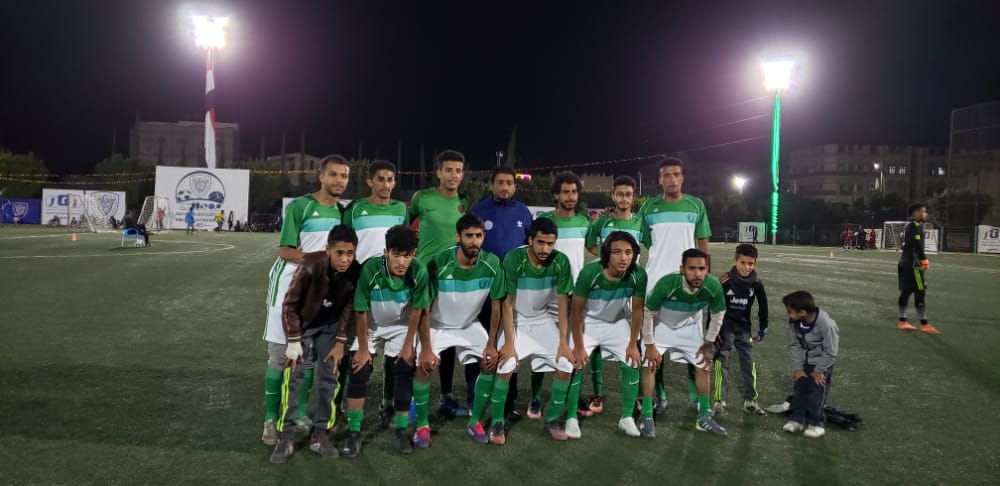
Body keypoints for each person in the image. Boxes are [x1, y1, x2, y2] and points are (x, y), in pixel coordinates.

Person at [260, 155, 350, 446]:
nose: (339, 181)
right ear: (320, 176)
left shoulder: (343, 212)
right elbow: (285, 251)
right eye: (334, 174)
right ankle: (270, 421)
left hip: (319, 292)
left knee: (308, 356)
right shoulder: (301, 205)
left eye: (344, 176)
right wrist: (319, 260)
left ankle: (298, 414)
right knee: (280, 355)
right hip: (288, 286)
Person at [268, 225, 362, 463]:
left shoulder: (354, 271)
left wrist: (341, 339)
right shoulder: (310, 266)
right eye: (339, 253)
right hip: (304, 326)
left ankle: (320, 433)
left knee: (330, 377)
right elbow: (290, 305)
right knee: (295, 377)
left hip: (330, 328)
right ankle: (285, 436)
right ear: (328, 249)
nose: (345, 259)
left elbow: (349, 306)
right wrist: (293, 339)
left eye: (350, 253)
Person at [418, 214, 507, 446]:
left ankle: (474, 421)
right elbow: (424, 308)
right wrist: (426, 347)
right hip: (437, 325)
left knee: (490, 362)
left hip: (468, 325)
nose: (474, 241)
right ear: (458, 236)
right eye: (469, 236)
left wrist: (491, 343)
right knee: (422, 365)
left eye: (478, 236)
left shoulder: (492, 263)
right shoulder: (439, 262)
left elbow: (497, 306)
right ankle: (422, 426)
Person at [348, 224, 432, 455]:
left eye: (407, 256)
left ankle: (401, 431)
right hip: (372, 325)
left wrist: (408, 346)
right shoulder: (371, 269)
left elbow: (418, 310)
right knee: (359, 370)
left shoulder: (419, 272)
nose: (402, 262)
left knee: (404, 371)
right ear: (386, 252)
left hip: (400, 327)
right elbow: (361, 310)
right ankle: (354, 432)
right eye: (396, 254)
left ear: (414, 254)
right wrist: (364, 348)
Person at [638, 156, 712, 414]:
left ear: (682, 177)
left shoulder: (696, 205)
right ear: (659, 179)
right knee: (653, 344)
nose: (671, 179)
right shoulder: (648, 208)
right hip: (656, 283)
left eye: (676, 174)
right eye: (666, 175)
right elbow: (647, 242)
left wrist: (705, 278)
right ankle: (659, 395)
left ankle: (695, 397)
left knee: (694, 341)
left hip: (690, 283)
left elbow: (703, 244)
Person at [492, 217, 576, 442]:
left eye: (550, 244)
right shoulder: (514, 258)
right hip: (516, 321)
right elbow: (506, 303)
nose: (545, 249)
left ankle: (551, 420)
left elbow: (563, 304)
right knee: (506, 365)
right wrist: (509, 343)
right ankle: (497, 422)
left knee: (567, 365)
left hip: (542, 320)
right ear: (530, 240)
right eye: (540, 242)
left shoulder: (561, 262)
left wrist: (563, 342)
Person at [342, 160, 409, 421]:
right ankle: (346, 402)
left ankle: (388, 401)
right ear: (370, 181)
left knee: (394, 348)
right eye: (380, 179)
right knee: (354, 346)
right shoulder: (355, 208)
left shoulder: (401, 210)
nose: (386, 184)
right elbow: (345, 243)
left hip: (392, 288)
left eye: (390, 179)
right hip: (360, 285)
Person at [565, 231, 647, 439]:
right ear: (606, 254)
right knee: (575, 363)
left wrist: (633, 343)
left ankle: (626, 417)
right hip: (588, 321)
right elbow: (576, 310)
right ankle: (571, 418)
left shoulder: (638, 274)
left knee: (633, 361)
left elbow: (638, 310)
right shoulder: (589, 273)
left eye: (629, 252)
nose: (623, 257)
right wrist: (579, 345)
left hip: (617, 322)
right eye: (617, 252)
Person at [408, 150, 471, 417]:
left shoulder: (465, 203)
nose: (454, 175)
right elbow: (403, 231)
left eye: (458, 171)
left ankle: (446, 396)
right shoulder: (422, 198)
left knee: (449, 337)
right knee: (415, 337)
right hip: (424, 276)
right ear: (438, 173)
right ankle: (410, 401)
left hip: (453, 279)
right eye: (449, 170)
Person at [640, 248, 728, 438]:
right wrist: (649, 345)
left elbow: (718, 314)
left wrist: (708, 343)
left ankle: (704, 416)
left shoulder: (712, 286)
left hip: (687, 328)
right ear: (682, 269)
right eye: (692, 268)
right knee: (648, 365)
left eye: (702, 268)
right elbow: (648, 313)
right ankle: (646, 415)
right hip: (660, 325)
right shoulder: (667, 283)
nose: (698, 273)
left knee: (704, 365)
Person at [469, 166, 532, 418]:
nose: (505, 187)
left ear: (515, 186)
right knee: (481, 344)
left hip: (512, 292)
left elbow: (530, 247)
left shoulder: (524, 212)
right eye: (500, 182)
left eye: (509, 183)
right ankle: (476, 399)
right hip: (482, 289)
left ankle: (508, 402)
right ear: (491, 184)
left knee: (508, 344)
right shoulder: (479, 210)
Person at [530, 171, 590, 419]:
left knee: (576, 346)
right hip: (546, 294)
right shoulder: (544, 220)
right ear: (556, 195)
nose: (571, 196)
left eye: (574, 191)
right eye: (565, 191)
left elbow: (597, 249)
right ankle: (535, 398)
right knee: (541, 346)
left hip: (576, 295)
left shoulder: (585, 222)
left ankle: (572, 396)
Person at [582, 175, 643, 415]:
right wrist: (607, 262)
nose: (624, 198)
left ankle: (636, 395)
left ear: (633, 197)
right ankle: (597, 394)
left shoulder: (640, 223)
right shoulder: (603, 222)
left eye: (628, 194)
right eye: (620, 194)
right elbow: (589, 244)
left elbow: (647, 244)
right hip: (603, 289)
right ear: (613, 196)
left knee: (632, 339)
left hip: (630, 288)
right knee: (596, 340)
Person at [712, 244, 769, 415]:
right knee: (721, 363)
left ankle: (750, 401)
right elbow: (714, 306)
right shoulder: (725, 280)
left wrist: (763, 327)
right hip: (725, 328)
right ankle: (719, 401)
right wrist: (713, 332)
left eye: (751, 263)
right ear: (735, 261)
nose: (747, 267)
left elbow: (763, 305)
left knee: (748, 363)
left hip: (744, 329)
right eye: (743, 262)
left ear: (755, 264)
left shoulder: (757, 283)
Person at [781, 290, 839, 439]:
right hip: (805, 363)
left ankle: (816, 424)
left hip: (821, 364)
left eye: (790, 312)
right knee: (799, 391)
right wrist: (798, 368)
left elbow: (831, 352)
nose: (788, 315)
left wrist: (819, 371)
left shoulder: (827, 325)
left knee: (816, 394)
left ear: (802, 312)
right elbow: (794, 345)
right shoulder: (794, 323)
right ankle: (796, 420)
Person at [897, 203, 939, 333]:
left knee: (906, 292)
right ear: (916, 213)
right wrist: (924, 260)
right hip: (913, 266)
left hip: (904, 263)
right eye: (923, 212)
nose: (925, 214)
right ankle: (924, 324)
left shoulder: (907, 226)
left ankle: (902, 321)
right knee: (920, 292)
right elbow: (917, 245)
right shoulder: (915, 226)